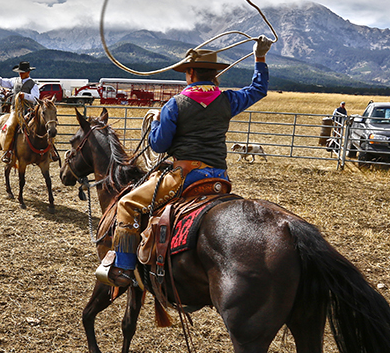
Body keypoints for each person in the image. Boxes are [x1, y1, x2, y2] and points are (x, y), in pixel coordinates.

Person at [97, 37, 272, 288]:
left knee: (128, 205)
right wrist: (260, 58)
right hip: (218, 177)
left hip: (184, 176)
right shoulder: (227, 100)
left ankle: (124, 269)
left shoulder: (175, 105)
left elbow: (158, 144)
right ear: (213, 75)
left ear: (190, 73)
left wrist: (158, 121)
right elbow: (258, 90)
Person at [0, 61, 41, 161]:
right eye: (20, 71)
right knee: (10, 127)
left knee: (43, 126)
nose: (20, 73)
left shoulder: (33, 84)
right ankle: (7, 151)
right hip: (15, 111)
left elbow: (36, 98)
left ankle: (48, 152)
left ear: (28, 72)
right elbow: (1, 82)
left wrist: (25, 95)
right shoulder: (14, 81)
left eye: (22, 72)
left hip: (29, 111)